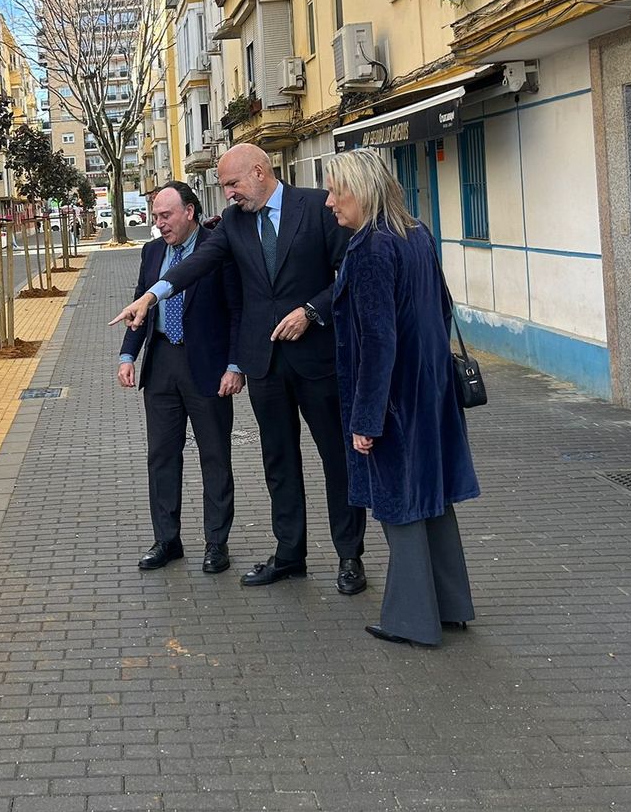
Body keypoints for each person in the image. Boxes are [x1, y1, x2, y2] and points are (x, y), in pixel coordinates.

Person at [111, 144, 367, 596]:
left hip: (316, 360)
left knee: (336, 460)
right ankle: (290, 553)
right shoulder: (232, 222)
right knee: (279, 461)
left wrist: (311, 310)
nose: (227, 194)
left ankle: (350, 557)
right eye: (224, 186)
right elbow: (198, 263)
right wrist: (152, 296)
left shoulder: (317, 207)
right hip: (264, 363)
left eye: (232, 184)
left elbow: (348, 272)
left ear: (259, 172)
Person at [323, 148, 480, 647]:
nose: (329, 202)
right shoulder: (416, 234)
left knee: (399, 505)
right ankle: (450, 605)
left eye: (335, 190)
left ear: (362, 190)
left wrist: (366, 419)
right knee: (433, 499)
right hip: (430, 390)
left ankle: (412, 619)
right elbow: (443, 308)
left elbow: (378, 340)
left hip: (393, 399)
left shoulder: (370, 248)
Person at [117, 183, 246, 574]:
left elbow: (238, 310)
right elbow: (142, 301)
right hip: (161, 367)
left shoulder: (218, 248)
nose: (159, 224)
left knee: (215, 457)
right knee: (161, 457)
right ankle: (167, 540)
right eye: (155, 216)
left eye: (165, 216)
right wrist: (127, 355)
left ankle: (216, 543)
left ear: (190, 211)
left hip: (206, 367)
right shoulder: (152, 251)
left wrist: (235, 365)